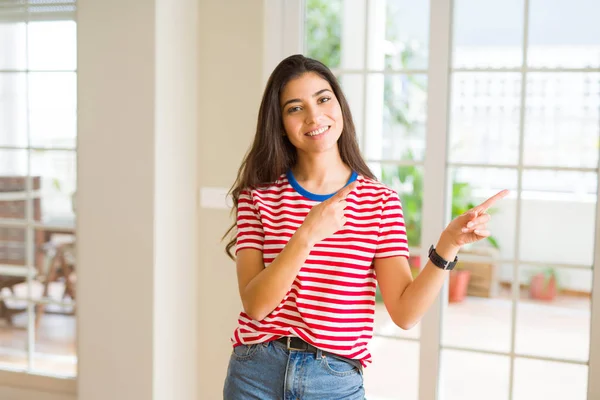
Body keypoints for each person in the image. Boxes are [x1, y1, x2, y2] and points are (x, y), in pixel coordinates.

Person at [222, 54, 508, 400]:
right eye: (295, 108)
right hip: (256, 375)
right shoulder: (259, 197)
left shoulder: (380, 201)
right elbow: (256, 306)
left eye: (323, 99)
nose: (314, 116)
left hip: (333, 379)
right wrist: (307, 234)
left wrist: (449, 243)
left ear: (340, 106)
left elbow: (404, 313)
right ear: (280, 123)